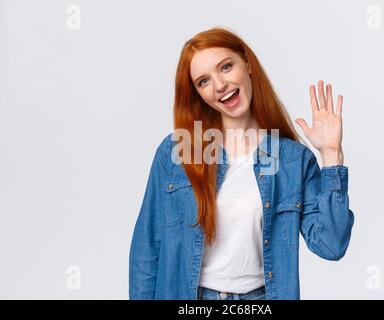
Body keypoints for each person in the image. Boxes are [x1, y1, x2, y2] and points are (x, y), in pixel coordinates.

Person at [129, 27, 355, 300]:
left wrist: (331, 156)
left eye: (225, 67)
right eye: (203, 81)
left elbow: (331, 245)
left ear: (247, 63)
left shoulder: (289, 160)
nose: (219, 85)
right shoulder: (179, 152)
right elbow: (147, 250)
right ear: (199, 95)